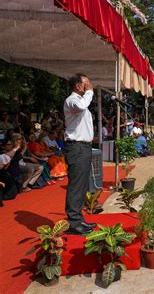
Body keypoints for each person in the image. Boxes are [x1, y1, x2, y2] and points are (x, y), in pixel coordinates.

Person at [63, 74, 96, 235]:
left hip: (83, 147)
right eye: (86, 83)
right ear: (78, 86)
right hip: (76, 147)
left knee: (82, 184)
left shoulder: (81, 101)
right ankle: (73, 222)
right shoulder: (72, 100)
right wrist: (89, 92)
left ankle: (78, 218)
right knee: (76, 185)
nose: (89, 85)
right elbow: (81, 107)